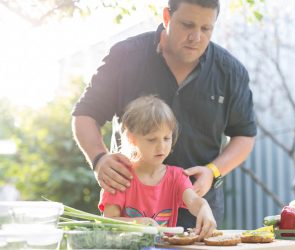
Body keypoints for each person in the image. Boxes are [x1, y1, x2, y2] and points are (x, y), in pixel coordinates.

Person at [72, 0, 257, 229]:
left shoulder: (230, 71)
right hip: (129, 217)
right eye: (187, 25)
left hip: (197, 218)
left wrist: (213, 171)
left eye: (205, 28)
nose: (196, 37)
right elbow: (85, 114)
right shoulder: (125, 56)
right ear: (167, 17)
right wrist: (99, 159)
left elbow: (245, 136)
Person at [99, 96, 216, 239]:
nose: (161, 147)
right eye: (152, 139)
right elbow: (108, 223)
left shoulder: (177, 177)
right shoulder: (119, 177)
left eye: (166, 138)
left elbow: (193, 202)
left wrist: (204, 207)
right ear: (132, 139)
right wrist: (138, 223)